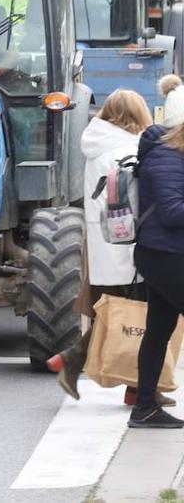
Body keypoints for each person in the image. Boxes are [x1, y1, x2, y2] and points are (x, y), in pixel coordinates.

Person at [47, 89, 172, 409]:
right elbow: (140, 197)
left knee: (125, 313)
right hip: (128, 245)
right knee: (140, 317)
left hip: (104, 243)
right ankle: (84, 365)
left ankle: (123, 383)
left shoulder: (97, 145)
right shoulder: (126, 149)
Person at [128, 74, 184, 428]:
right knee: (158, 330)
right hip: (166, 256)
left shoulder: (171, 153)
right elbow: (172, 211)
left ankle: (144, 406)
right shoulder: (166, 156)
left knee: (159, 329)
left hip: (164, 254)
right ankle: (144, 405)